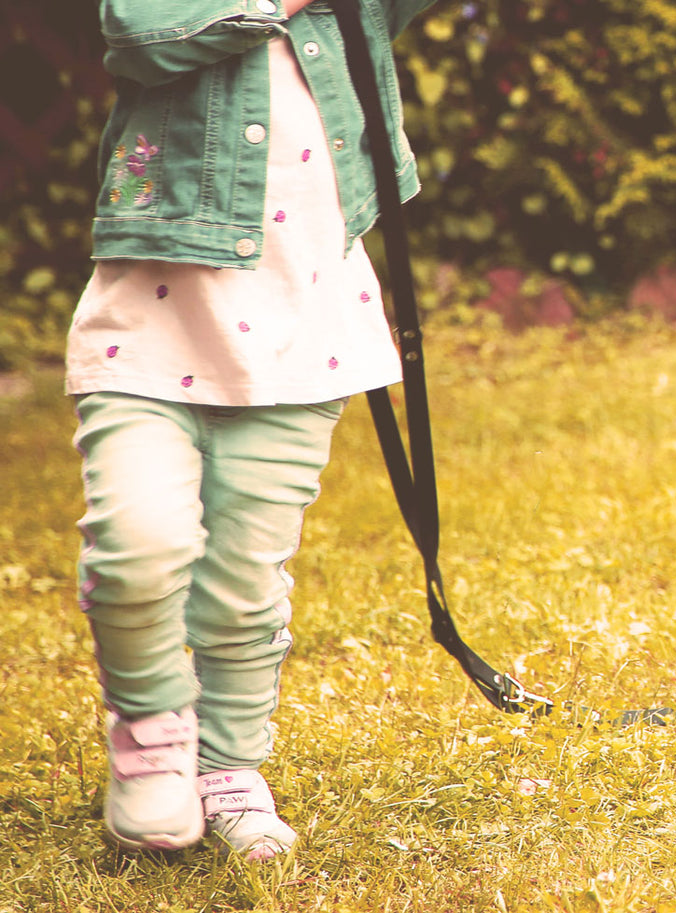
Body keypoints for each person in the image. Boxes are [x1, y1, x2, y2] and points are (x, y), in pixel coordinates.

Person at [67, 0, 437, 859]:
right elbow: (143, 32)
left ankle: (230, 767)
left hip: (302, 327)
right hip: (148, 323)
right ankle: (153, 739)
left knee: (243, 580)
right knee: (136, 544)